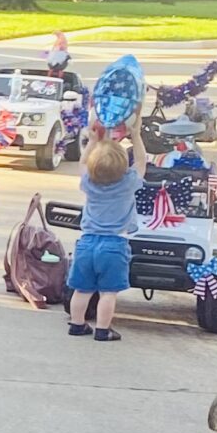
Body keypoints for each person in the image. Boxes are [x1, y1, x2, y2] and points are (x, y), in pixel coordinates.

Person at [67, 120, 142, 343]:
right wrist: (136, 136)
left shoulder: (88, 183)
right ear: (123, 166)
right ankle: (102, 329)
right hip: (114, 245)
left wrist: (92, 141)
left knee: (82, 289)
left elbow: (82, 162)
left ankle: (77, 324)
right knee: (108, 292)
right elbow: (140, 161)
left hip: (87, 243)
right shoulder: (129, 183)